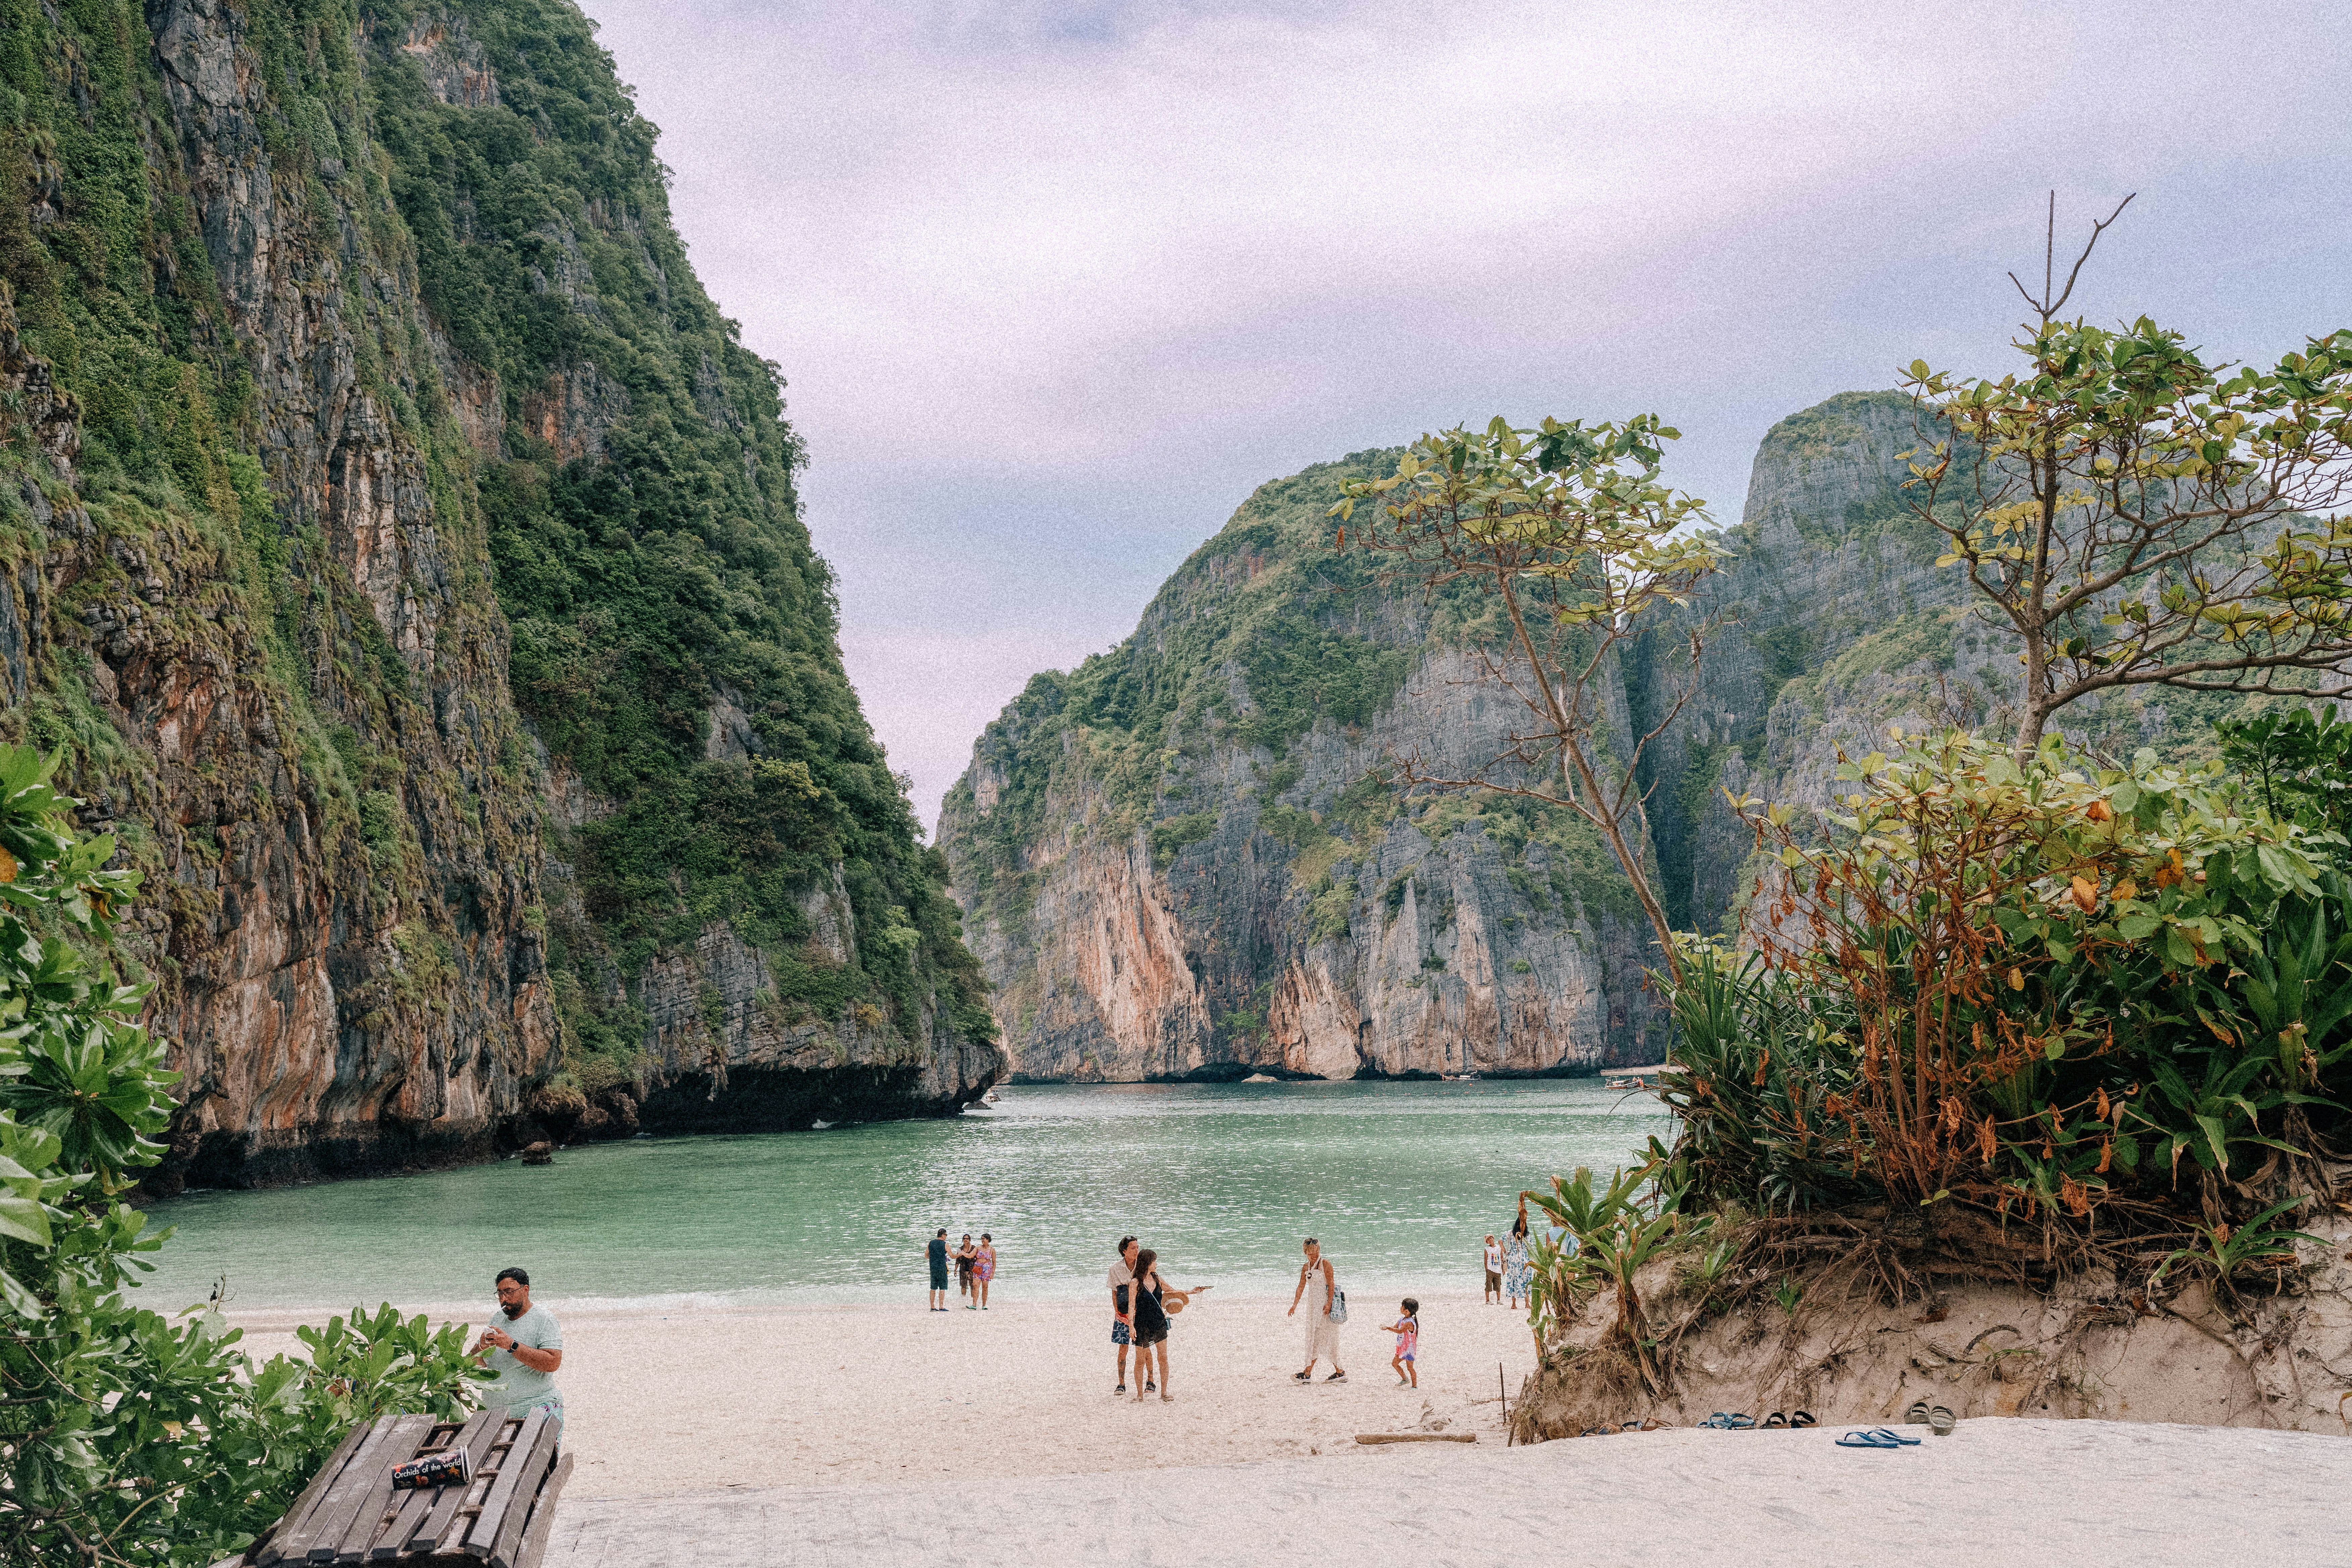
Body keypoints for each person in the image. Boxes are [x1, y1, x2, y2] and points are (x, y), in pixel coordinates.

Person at [470, 1267, 564, 1431]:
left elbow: (553, 1362)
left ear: (525, 1290)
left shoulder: (544, 1319)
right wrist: (480, 1347)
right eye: (500, 1294)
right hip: (496, 1413)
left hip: (535, 1407)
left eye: (509, 1292)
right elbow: (474, 1363)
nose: (503, 1299)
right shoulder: (498, 1318)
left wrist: (512, 1346)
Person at [1128, 1247, 1196, 1402]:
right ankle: (1140, 1395)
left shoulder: (1156, 1278)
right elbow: (1131, 1306)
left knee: (1163, 1357)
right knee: (1140, 1360)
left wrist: (1191, 1292)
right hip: (1142, 1324)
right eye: (1154, 1261)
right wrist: (1131, 1326)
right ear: (1147, 1263)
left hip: (1159, 1322)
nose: (1156, 1264)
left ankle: (1164, 1392)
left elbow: (1172, 1292)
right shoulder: (1135, 1283)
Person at [1286, 1237, 1345, 1383]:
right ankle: (1338, 1372)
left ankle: (1309, 1373)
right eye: (1311, 1253)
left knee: (1327, 1337)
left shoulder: (1325, 1264)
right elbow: (1301, 1286)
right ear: (1306, 1253)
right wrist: (1295, 1305)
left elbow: (1331, 1284)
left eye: (1317, 1252)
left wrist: (1329, 1304)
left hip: (1325, 1306)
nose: (1314, 1255)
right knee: (1314, 1337)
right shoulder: (1306, 1267)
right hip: (1312, 1307)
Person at [1109, 1235, 1140, 1393]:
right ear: (1124, 1251)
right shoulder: (1115, 1268)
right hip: (1122, 1314)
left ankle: (1151, 1381)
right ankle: (1121, 1384)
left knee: (1144, 1348)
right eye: (1133, 1248)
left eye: (1138, 1247)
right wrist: (1117, 1312)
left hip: (1141, 1313)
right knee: (1123, 1349)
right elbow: (1115, 1293)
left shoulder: (1142, 1266)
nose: (1137, 1250)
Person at [1503, 1200, 1533, 1312]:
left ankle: (1514, 1304)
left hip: (1514, 1258)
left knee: (1513, 1280)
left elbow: (1501, 1241)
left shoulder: (1510, 1233)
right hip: (1524, 1258)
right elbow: (1531, 1247)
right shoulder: (1527, 1235)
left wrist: (1506, 1252)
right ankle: (1526, 1304)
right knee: (1525, 1280)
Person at [1385, 1297, 1420, 1387]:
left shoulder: (1410, 1323)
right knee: (1395, 1364)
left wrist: (1388, 1328)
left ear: (1407, 1311)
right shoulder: (1402, 1320)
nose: (1401, 1307)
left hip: (1409, 1349)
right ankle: (1405, 1379)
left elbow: (1400, 1331)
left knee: (1410, 1368)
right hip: (1402, 1347)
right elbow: (1396, 1328)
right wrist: (1388, 1328)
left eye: (1402, 1306)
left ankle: (1414, 1386)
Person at [927, 1228, 950, 1311]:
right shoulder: (945, 1244)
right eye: (946, 1235)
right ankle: (941, 1307)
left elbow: (926, 1255)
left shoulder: (931, 1243)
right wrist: (960, 1254)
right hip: (942, 1269)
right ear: (943, 1235)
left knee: (933, 1288)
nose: (946, 1237)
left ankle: (932, 1307)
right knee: (942, 1288)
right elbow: (952, 1256)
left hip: (933, 1269)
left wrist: (934, 1258)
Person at [974, 1233, 997, 1309]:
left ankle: (984, 1305)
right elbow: (971, 1255)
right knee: (976, 1286)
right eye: (982, 1239)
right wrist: (963, 1254)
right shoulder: (978, 1248)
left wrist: (993, 1273)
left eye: (984, 1239)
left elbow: (994, 1262)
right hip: (978, 1267)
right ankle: (974, 1305)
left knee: (985, 1287)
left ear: (988, 1240)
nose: (982, 1240)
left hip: (987, 1269)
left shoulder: (992, 1249)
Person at [956, 1232, 978, 1307]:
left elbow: (977, 1259)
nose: (966, 1240)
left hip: (972, 1269)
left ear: (970, 1240)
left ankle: (973, 1300)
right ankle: (963, 1300)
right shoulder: (960, 1249)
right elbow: (958, 1260)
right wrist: (955, 1270)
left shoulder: (974, 1248)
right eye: (964, 1239)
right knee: (963, 1285)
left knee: (973, 1285)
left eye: (967, 1239)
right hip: (962, 1269)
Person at [1482, 1234, 1503, 1304]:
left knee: (1498, 1285)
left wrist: (1503, 1269)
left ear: (1493, 1239)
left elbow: (1502, 1258)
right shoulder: (1487, 1249)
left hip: (1498, 1269)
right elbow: (1485, 1261)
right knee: (1488, 1285)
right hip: (1490, 1269)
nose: (1490, 1240)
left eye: (1491, 1238)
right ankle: (1488, 1300)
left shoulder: (1499, 1247)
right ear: (1487, 1242)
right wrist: (1487, 1270)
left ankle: (1499, 1300)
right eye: (1488, 1240)